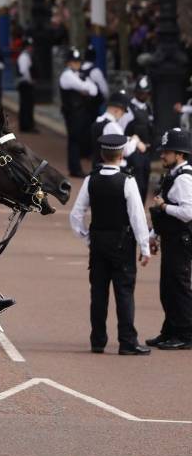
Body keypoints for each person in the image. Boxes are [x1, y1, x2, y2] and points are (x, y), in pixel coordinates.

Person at [69, 133, 154, 355]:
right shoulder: (127, 181)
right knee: (124, 292)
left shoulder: (91, 179)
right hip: (122, 244)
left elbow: (76, 215)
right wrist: (144, 247)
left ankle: (97, 340)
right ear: (122, 153)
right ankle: (127, 342)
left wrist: (87, 238)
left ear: (102, 154)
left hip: (97, 243)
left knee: (98, 293)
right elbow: (137, 217)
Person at [147, 128, 192, 350]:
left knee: (179, 287)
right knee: (168, 288)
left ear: (179, 154)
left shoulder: (184, 179)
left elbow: (187, 213)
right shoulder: (174, 175)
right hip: (171, 238)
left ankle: (185, 334)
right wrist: (154, 235)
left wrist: (164, 206)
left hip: (180, 241)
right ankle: (170, 330)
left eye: (167, 151)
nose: (162, 155)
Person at [59, 49, 101, 178]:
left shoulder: (78, 74)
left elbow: (93, 90)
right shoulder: (67, 75)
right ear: (68, 63)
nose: (77, 64)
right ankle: (75, 169)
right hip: (72, 113)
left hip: (79, 112)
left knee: (78, 140)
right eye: (74, 62)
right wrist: (85, 88)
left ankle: (76, 167)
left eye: (78, 62)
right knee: (74, 141)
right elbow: (85, 88)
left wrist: (86, 87)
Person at [125, 76, 155, 201]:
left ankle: (140, 211)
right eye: (140, 93)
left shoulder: (148, 108)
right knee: (136, 184)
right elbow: (122, 131)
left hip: (146, 153)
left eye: (146, 93)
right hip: (134, 152)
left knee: (144, 186)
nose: (143, 95)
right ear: (135, 92)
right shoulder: (129, 108)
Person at [16, 38, 36, 133]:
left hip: (24, 83)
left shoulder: (26, 56)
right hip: (25, 83)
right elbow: (23, 71)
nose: (31, 48)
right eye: (29, 46)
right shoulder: (24, 57)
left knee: (27, 105)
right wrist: (30, 80)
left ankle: (26, 125)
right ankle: (26, 125)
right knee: (26, 105)